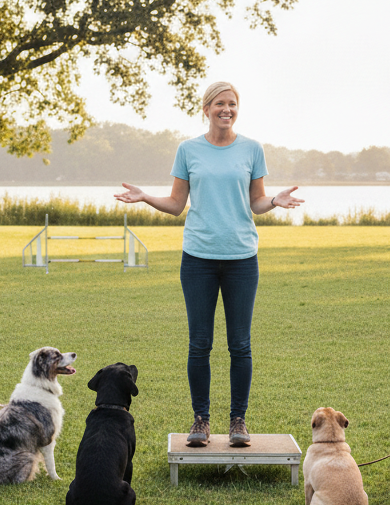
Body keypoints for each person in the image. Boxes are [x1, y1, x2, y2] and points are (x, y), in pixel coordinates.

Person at [115, 81, 303, 446]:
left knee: (240, 345)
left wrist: (275, 201)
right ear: (206, 108)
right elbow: (175, 204)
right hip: (198, 259)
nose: (226, 109)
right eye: (220, 103)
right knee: (199, 344)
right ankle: (200, 420)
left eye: (232, 104)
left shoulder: (252, 149)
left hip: (241, 259)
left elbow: (257, 203)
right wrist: (144, 197)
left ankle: (238, 421)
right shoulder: (189, 150)